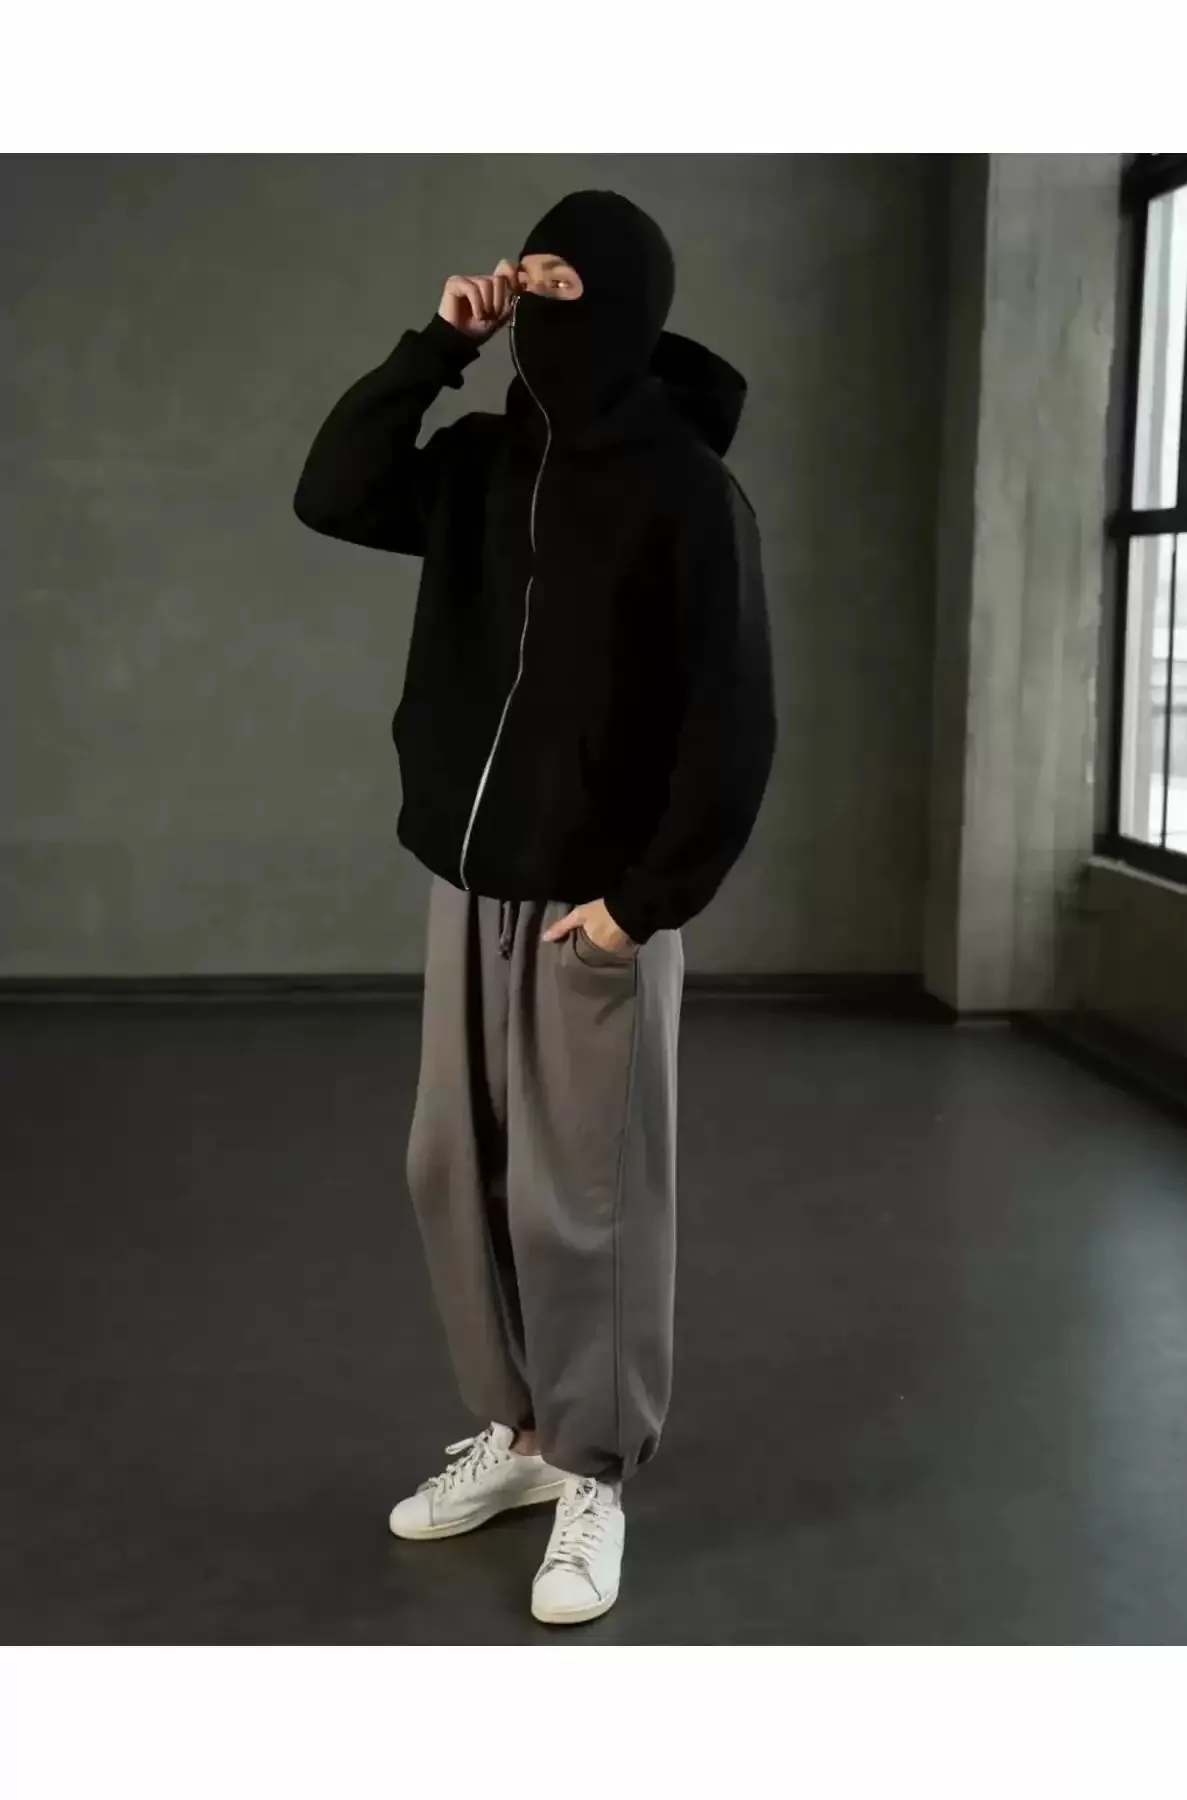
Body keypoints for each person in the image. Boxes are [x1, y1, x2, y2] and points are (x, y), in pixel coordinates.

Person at [293, 189, 776, 1627]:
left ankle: (595, 1472)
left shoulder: (689, 493)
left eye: (571, 288)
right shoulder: (480, 468)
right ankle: (513, 1432)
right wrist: (437, 345)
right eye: (532, 282)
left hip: (597, 905)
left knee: (587, 1206)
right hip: (470, 882)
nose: (543, 312)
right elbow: (332, 491)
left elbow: (733, 724)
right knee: (459, 1173)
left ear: (628, 306)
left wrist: (640, 904)